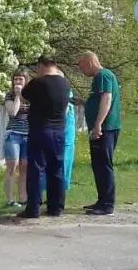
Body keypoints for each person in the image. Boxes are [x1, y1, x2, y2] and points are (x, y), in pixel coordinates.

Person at [16, 56, 71, 219]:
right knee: (56, 169)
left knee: (36, 170)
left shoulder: (38, 83)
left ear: (41, 66)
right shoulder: (65, 84)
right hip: (59, 131)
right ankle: (56, 207)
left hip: (40, 130)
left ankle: (33, 208)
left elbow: (25, 95)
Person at [78, 51, 121, 216]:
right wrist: (84, 102)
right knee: (98, 165)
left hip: (106, 128)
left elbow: (106, 99)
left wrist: (98, 125)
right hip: (102, 127)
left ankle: (107, 205)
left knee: (104, 165)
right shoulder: (99, 78)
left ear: (89, 62)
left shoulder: (103, 75)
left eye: (82, 67)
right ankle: (101, 200)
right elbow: (97, 100)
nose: (82, 71)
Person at [1, 70, 30, 208]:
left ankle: (23, 198)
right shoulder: (10, 95)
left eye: (20, 80)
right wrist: (18, 96)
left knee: (25, 167)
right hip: (13, 134)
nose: (18, 82)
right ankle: (10, 200)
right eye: (16, 80)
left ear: (26, 81)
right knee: (12, 166)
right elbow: (13, 112)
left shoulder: (31, 96)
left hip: (28, 135)